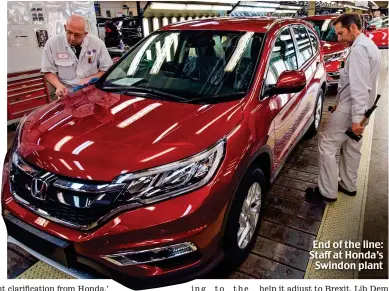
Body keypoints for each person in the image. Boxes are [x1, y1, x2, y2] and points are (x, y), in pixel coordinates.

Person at [306, 13, 381, 202]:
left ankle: (327, 191)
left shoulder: (358, 51)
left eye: (341, 33)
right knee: (351, 146)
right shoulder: (369, 45)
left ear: (353, 28)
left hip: (352, 109)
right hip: (363, 108)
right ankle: (348, 185)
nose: (339, 38)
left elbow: (359, 86)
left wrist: (356, 119)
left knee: (327, 146)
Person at [41, 15, 113, 98]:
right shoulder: (52, 44)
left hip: (92, 93)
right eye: (69, 32)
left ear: (85, 34)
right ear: (65, 27)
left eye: (77, 35)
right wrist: (59, 86)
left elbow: (106, 70)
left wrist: (89, 80)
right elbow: (48, 71)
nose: (72, 38)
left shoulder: (97, 44)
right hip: (67, 94)